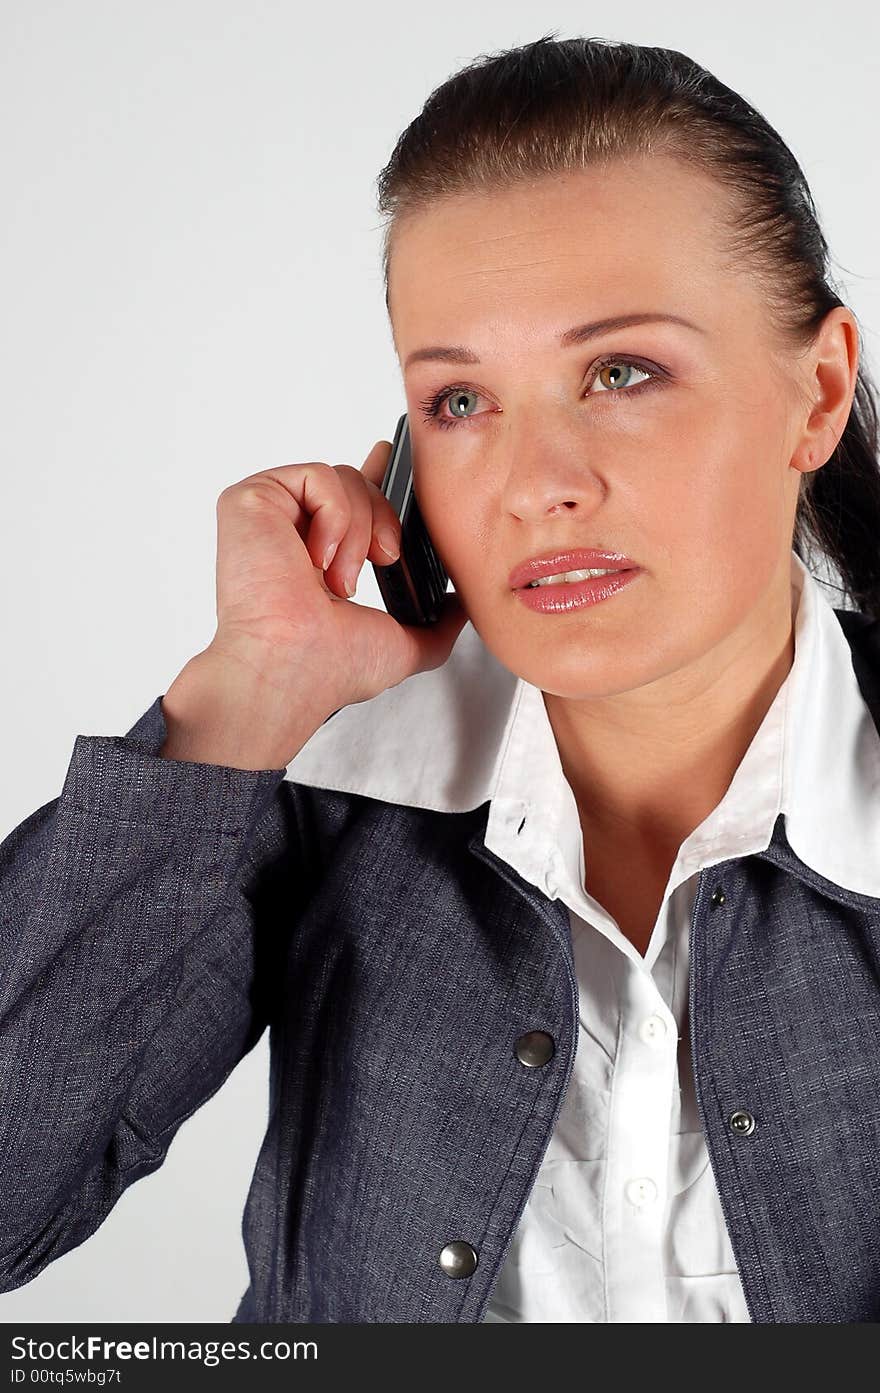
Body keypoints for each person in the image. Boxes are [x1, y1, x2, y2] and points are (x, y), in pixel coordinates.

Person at [1, 32, 880, 1324]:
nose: (537, 484)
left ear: (815, 392)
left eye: (621, 372)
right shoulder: (324, 779)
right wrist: (249, 692)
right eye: (462, 402)